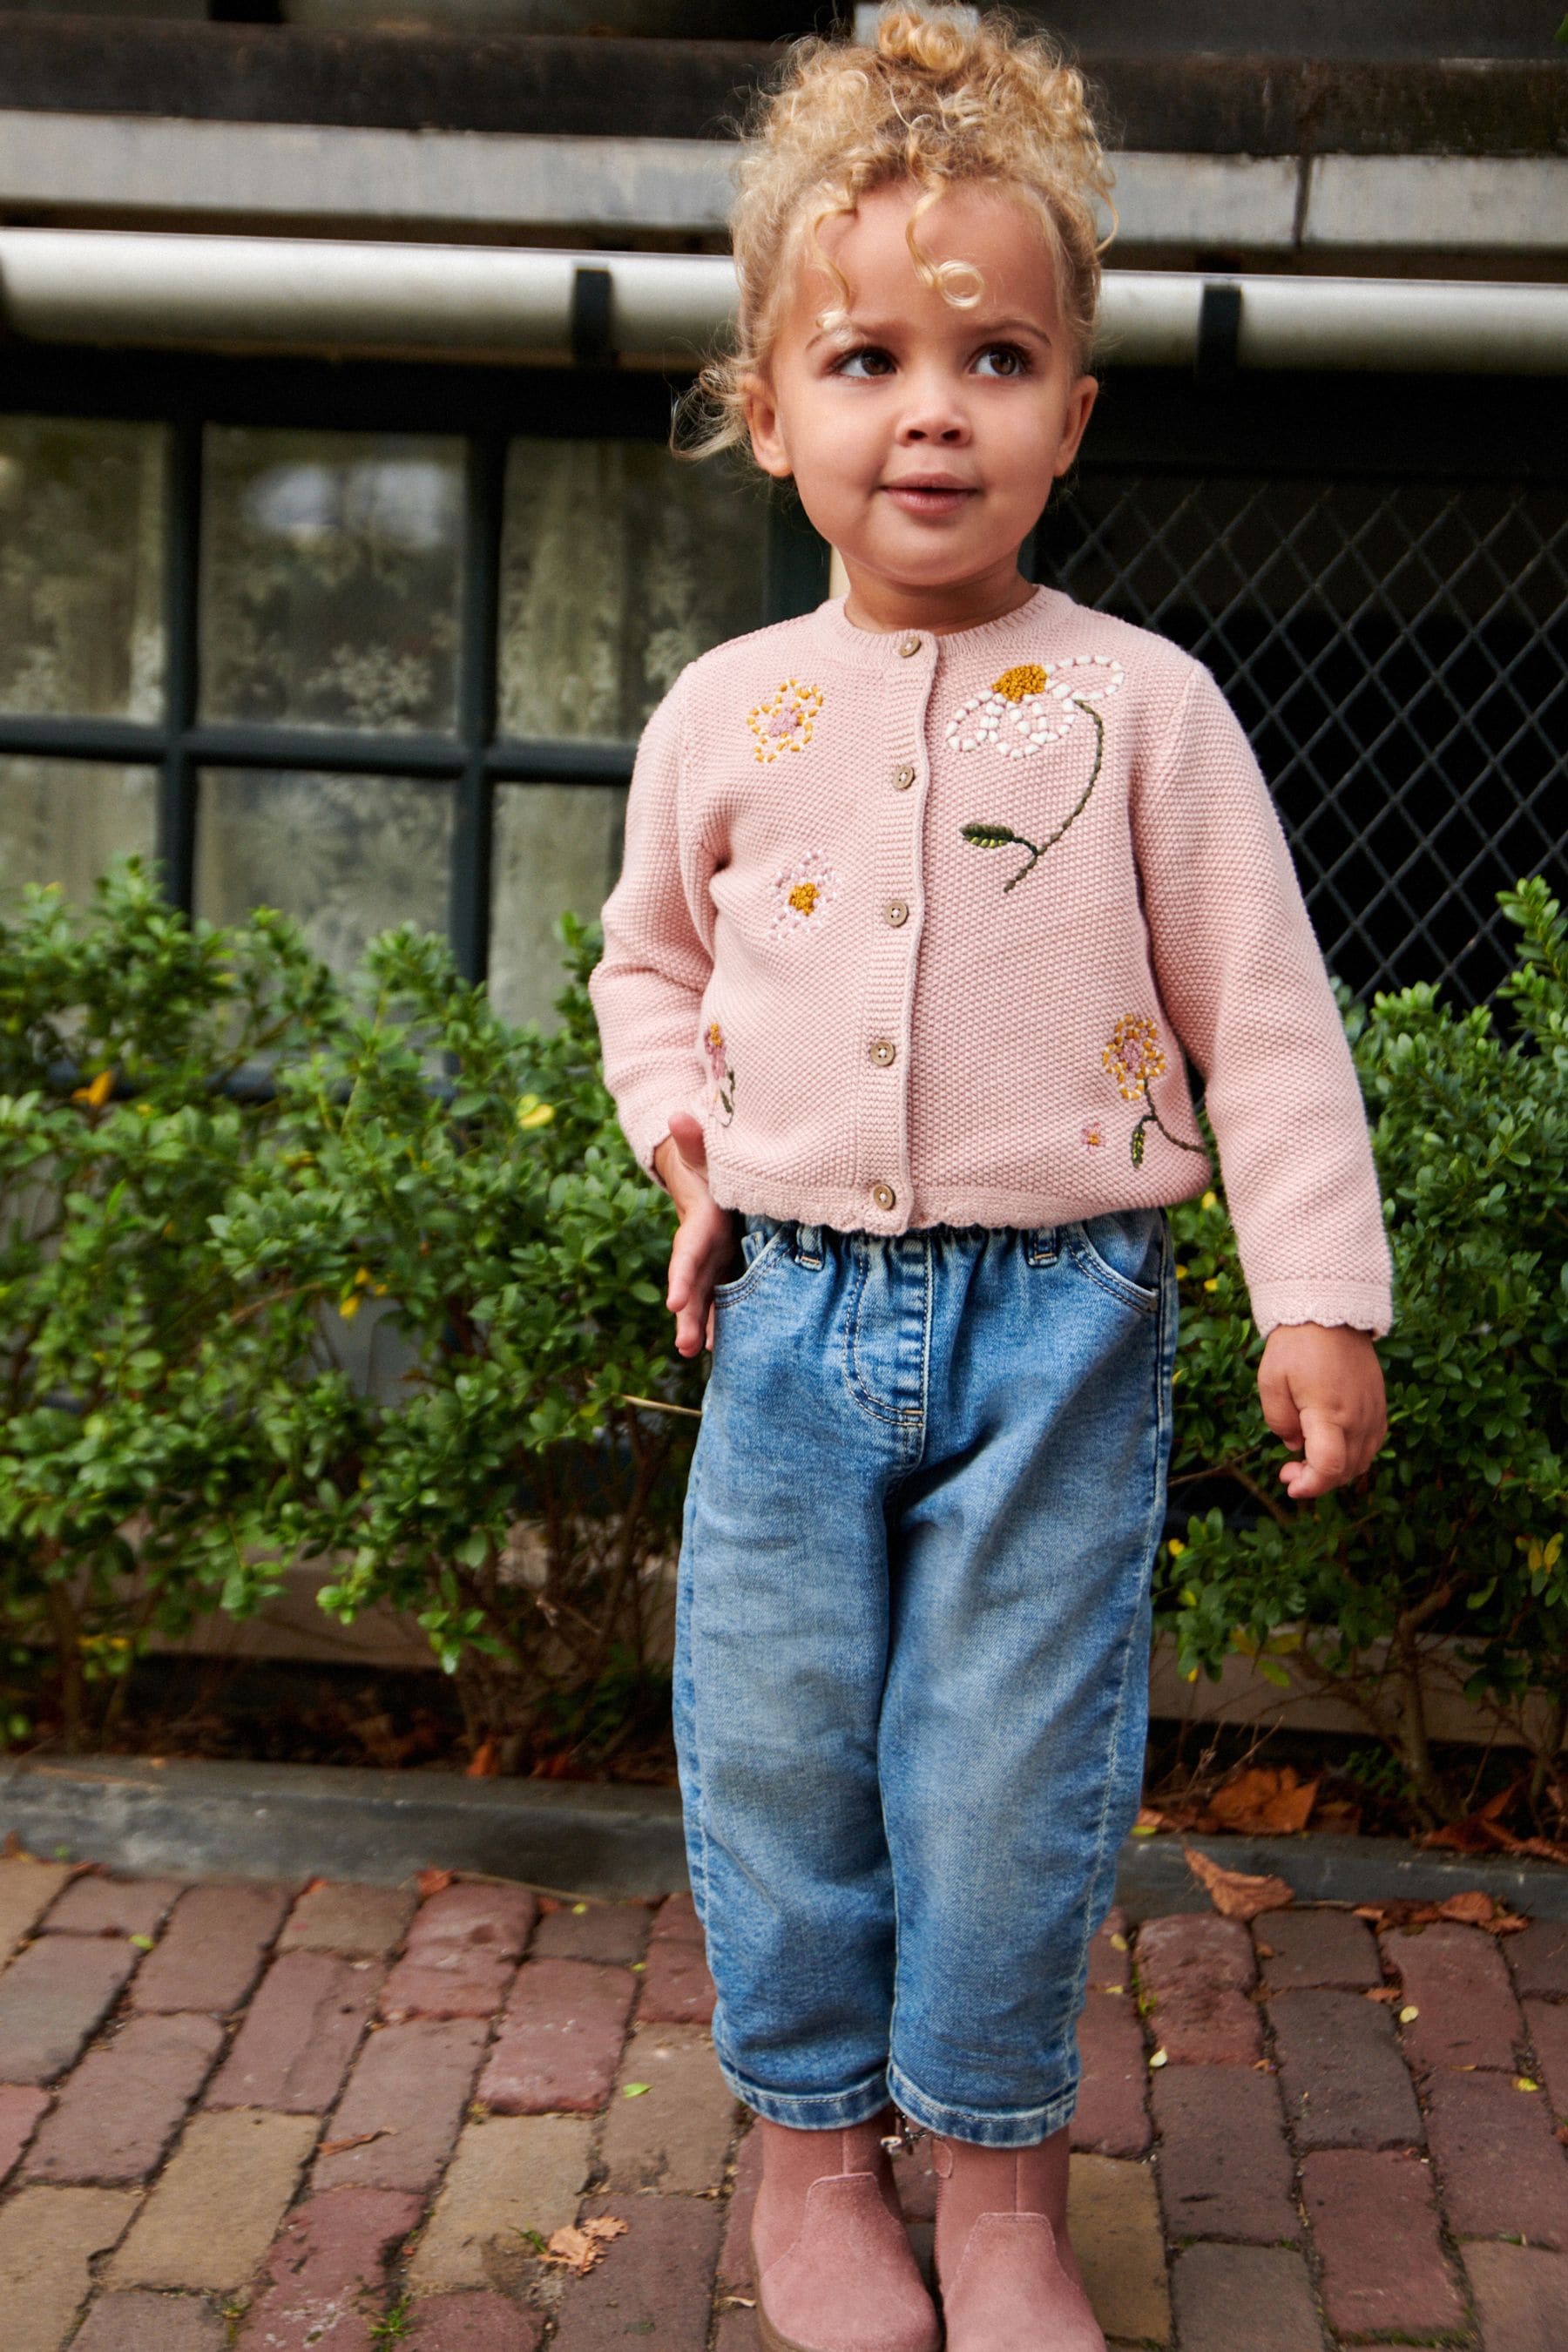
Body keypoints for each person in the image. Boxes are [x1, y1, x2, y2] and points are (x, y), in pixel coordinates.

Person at [588, 11, 1391, 2349]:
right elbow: (643, 971)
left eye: (998, 353)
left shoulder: (1144, 708)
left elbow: (1267, 1014)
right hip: (796, 1325)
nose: (932, 404)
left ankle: (1005, 2176)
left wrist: (1312, 1287)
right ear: (771, 409)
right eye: (868, 353)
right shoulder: (726, 716)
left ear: (1074, 413)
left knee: (1007, 1766)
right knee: (775, 1744)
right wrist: (689, 1139)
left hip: (1067, 1325)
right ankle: (818, 2160)